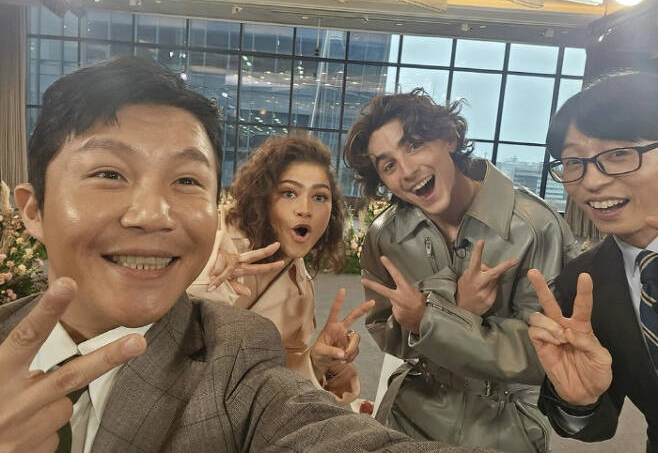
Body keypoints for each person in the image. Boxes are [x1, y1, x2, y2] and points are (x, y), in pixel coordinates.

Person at [0, 56, 497, 453]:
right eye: (109, 174)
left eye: (186, 180)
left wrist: (319, 361)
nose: (153, 214)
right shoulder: (227, 264)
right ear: (34, 209)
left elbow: (304, 419)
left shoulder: (239, 353)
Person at [343, 88, 578, 452]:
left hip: (505, 426)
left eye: (414, 145)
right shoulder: (386, 235)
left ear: (449, 138)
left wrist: (433, 317)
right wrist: (457, 306)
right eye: (388, 165)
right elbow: (387, 333)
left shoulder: (536, 226)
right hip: (408, 415)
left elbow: (546, 355)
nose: (407, 171)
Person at [526, 71, 658, 452]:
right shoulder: (582, 281)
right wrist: (579, 401)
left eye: (618, 154)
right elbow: (598, 424)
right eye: (573, 162)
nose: (591, 182)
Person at [187, 135, 373, 405]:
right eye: (289, 193)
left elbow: (275, 378)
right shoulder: (213, 231)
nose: (305, 210)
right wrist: (207, 276)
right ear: (263, 196)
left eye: (319, 197)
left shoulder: (301, 289)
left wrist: (316, 361)